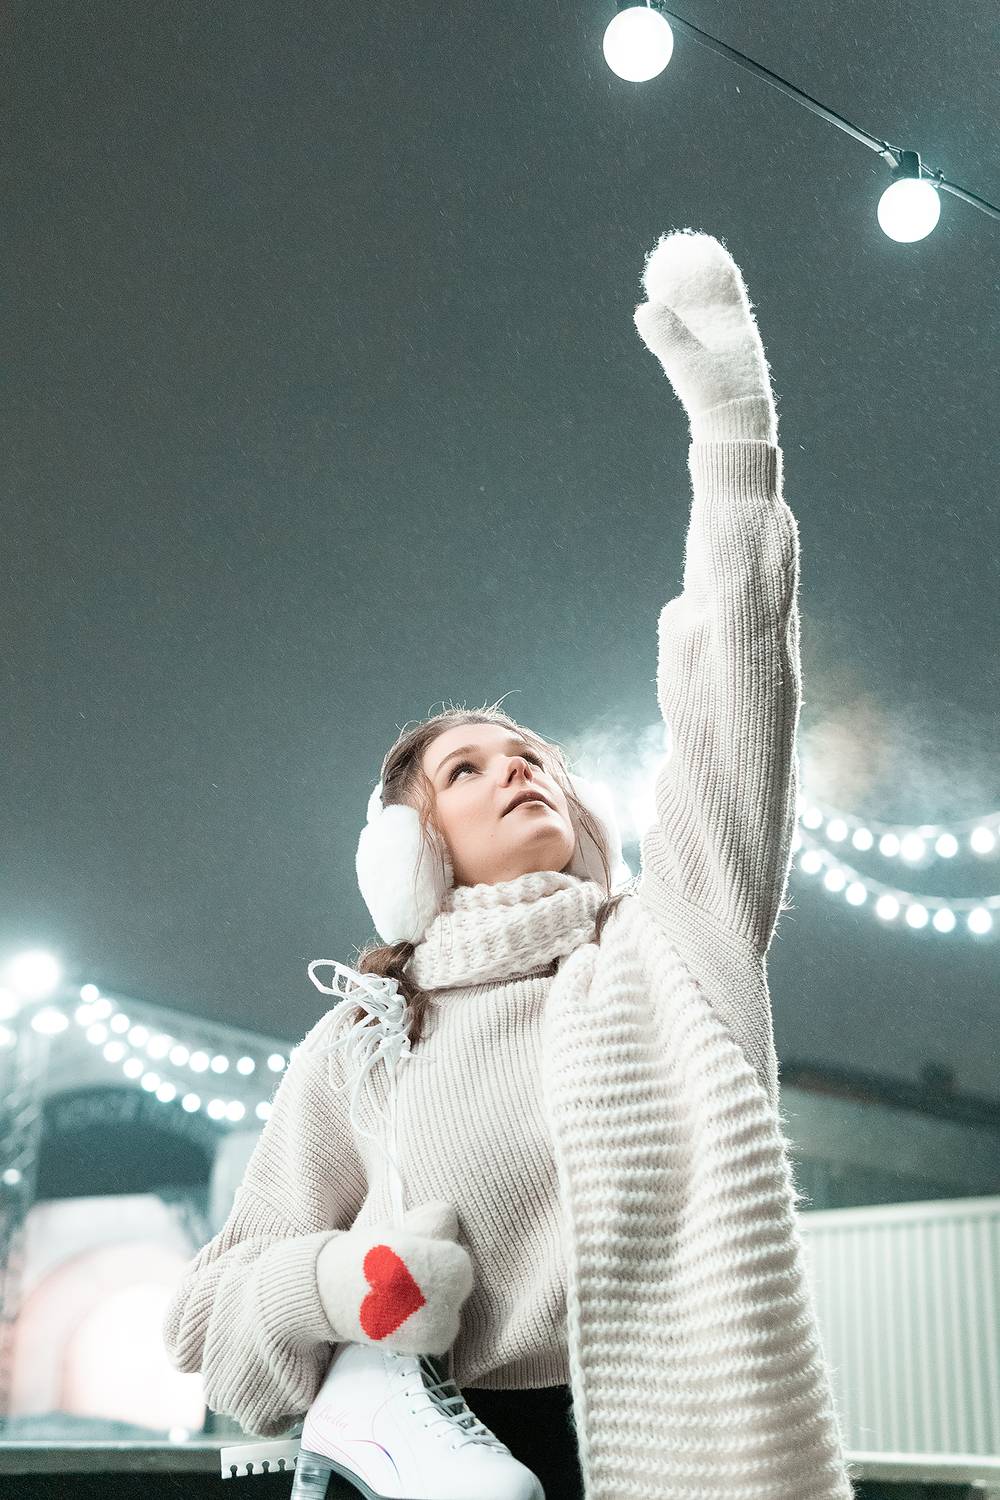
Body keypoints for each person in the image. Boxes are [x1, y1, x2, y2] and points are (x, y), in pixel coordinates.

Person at [163, 230, 858, 1500]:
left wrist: (733, 445)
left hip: (681, 1460)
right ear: (409, 844)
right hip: (441, 1466)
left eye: (531, 754)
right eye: (466, 768)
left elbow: (736, 702)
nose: (517, 770)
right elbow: (211, 1326)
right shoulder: (369, 1040)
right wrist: (343, 1285)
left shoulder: (672, 945)